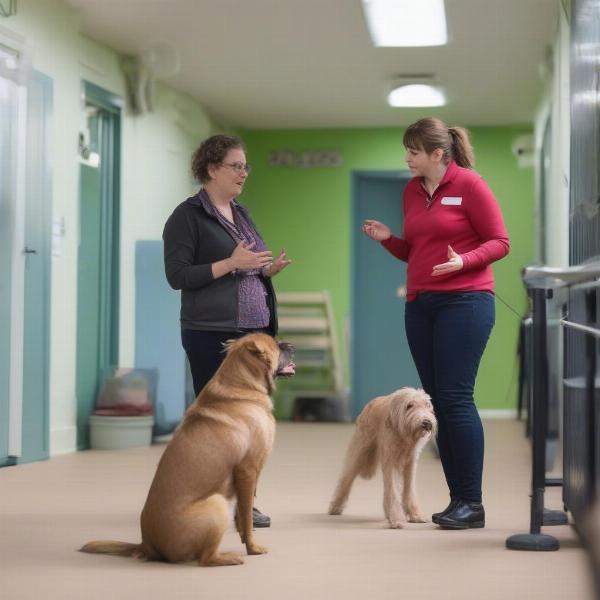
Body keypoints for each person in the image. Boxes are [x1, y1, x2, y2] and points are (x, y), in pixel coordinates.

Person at [362, 117, 510, 529]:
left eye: (413, 151)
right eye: (406, 151)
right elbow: (418, 252)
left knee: (456, 397)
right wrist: (389, 239)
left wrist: (464, 261)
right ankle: (456, 500)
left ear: (437, 154)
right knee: (439, 402)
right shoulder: (412, 192)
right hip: (421, 304)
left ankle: (471, 502)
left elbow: (500, 242)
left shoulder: (470, 185)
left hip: (466, 301)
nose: (407, 158)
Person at [163, 134, 291, 528]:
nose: (243, 173)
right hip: (210, 333)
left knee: (251, 422)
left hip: (254, 333)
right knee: (219, 424)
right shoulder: (187, 216)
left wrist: (263, 271)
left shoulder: (242, 212)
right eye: (236, 165)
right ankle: (213, 498)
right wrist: (230, 263)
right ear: (211, 168)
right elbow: (177, 275)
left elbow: (244, 264)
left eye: (245, 166)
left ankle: (245, 500)